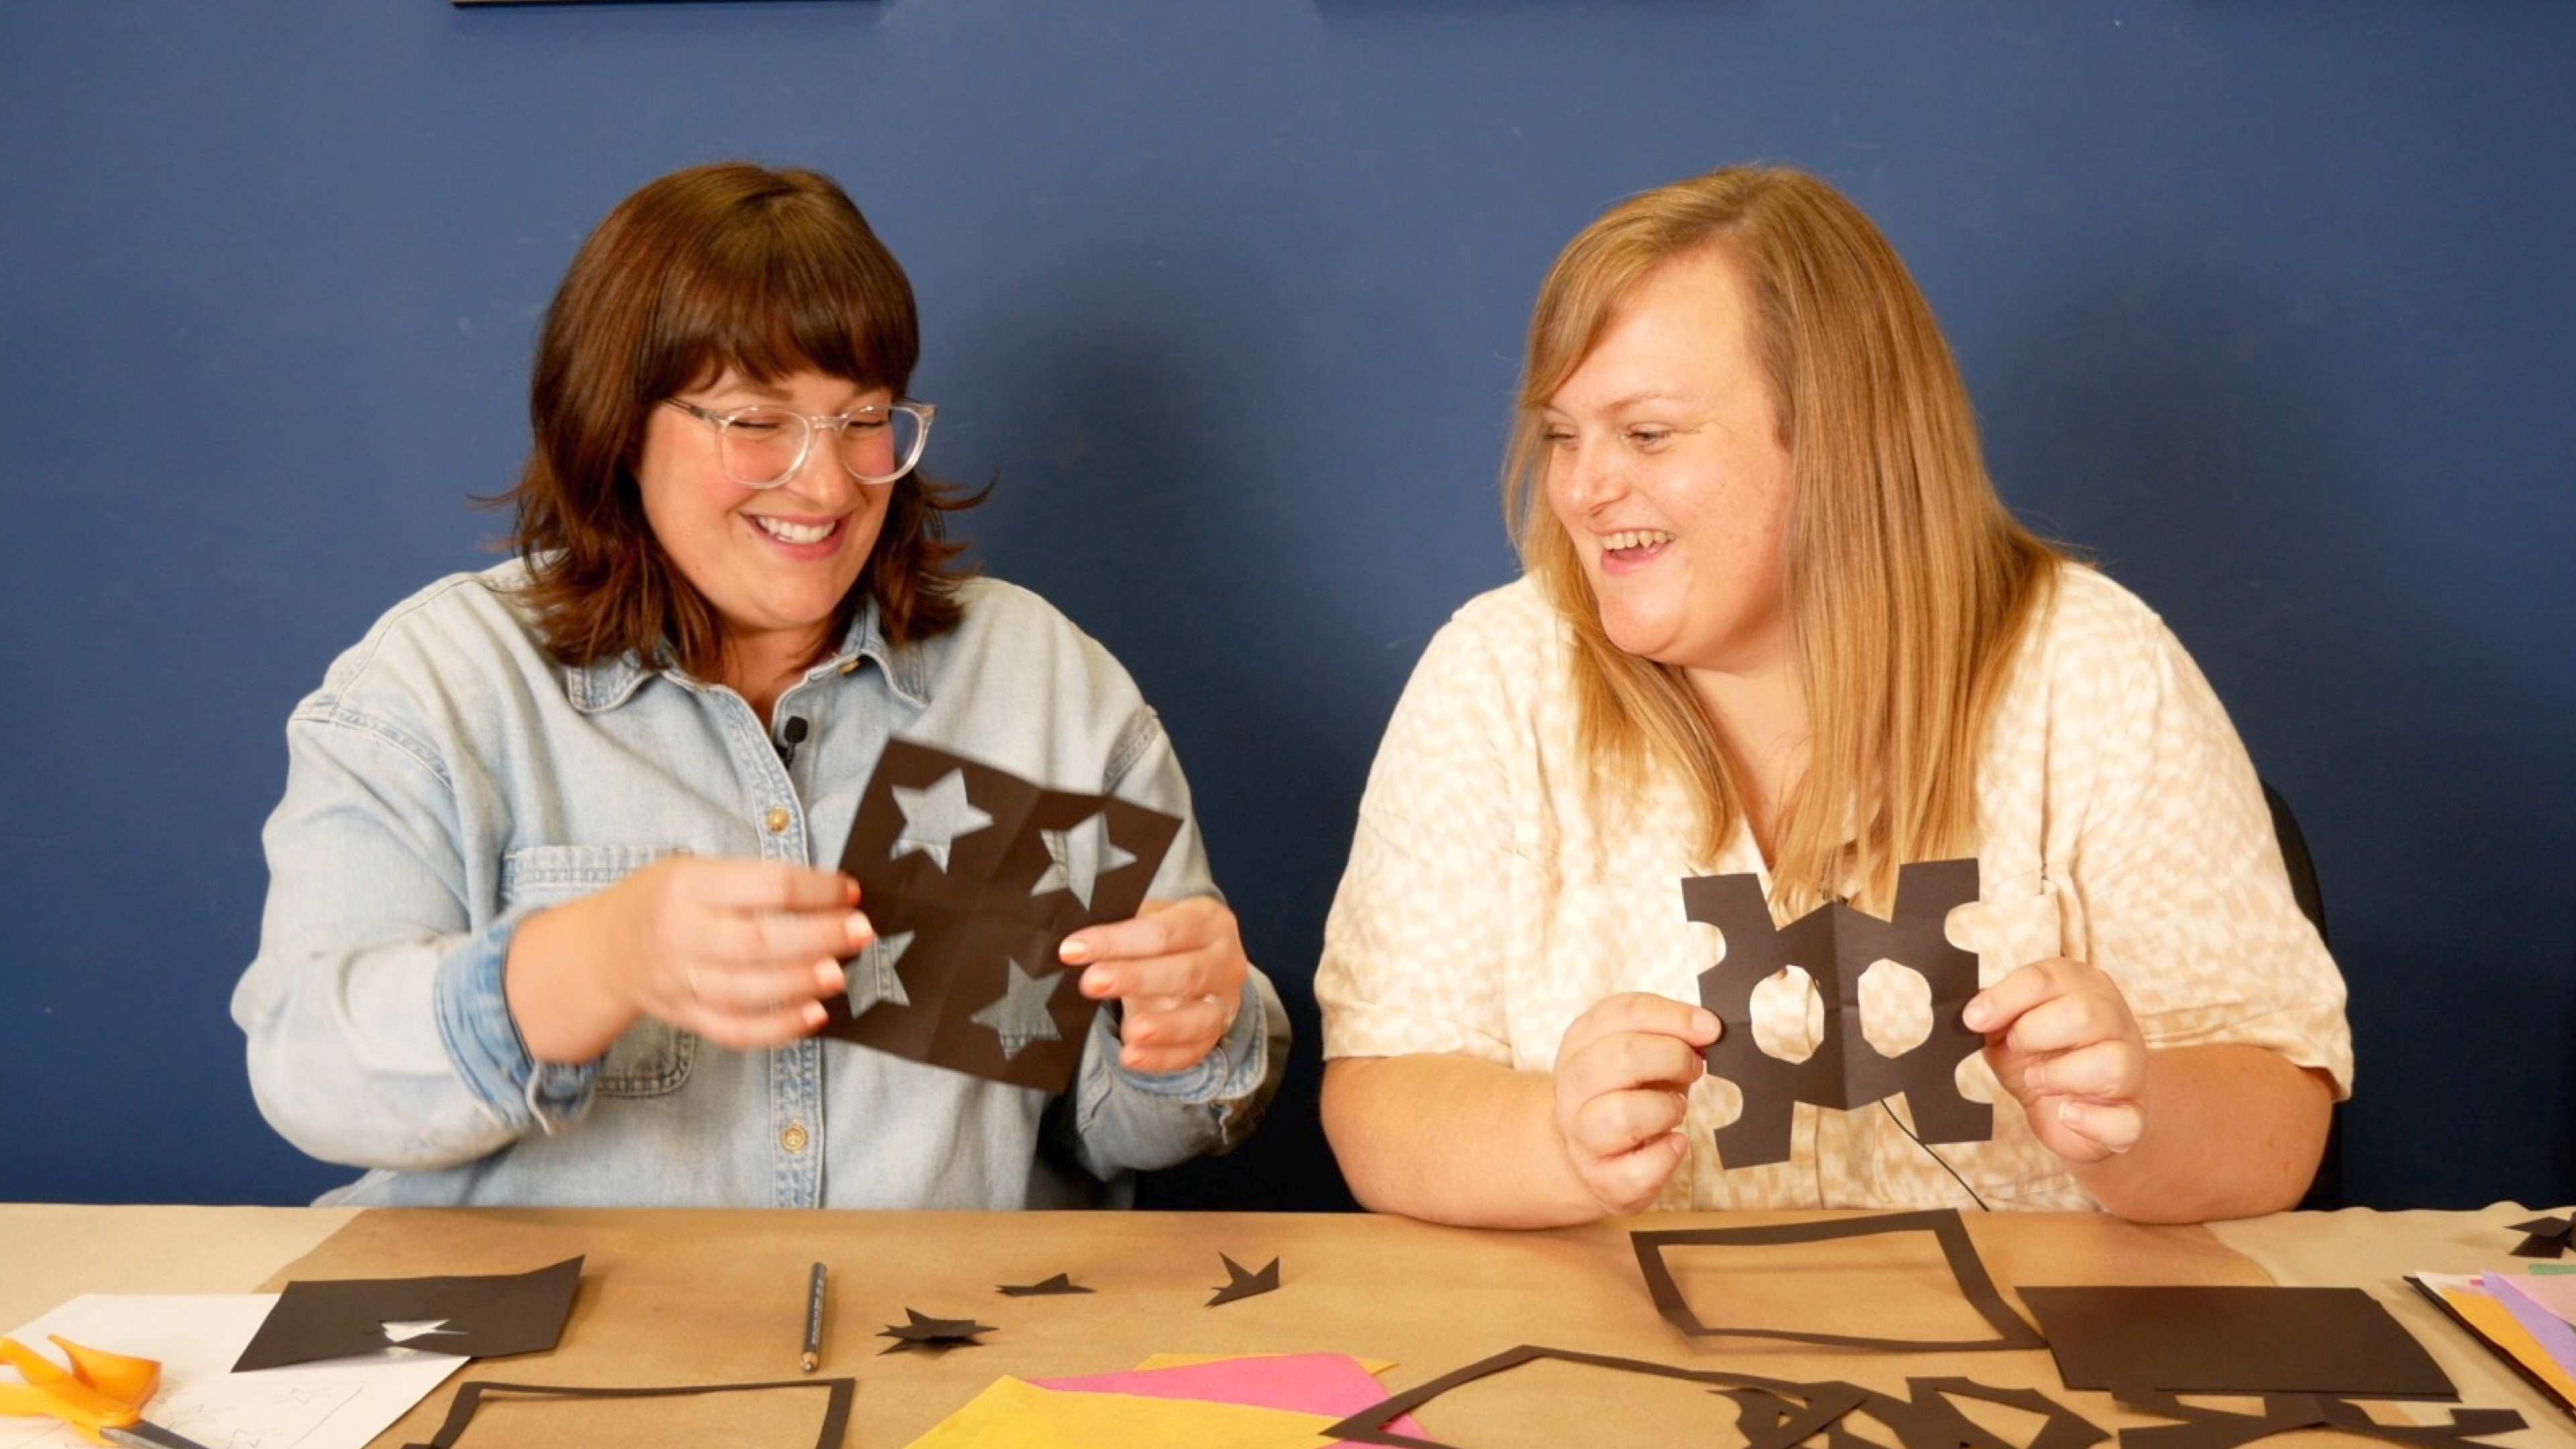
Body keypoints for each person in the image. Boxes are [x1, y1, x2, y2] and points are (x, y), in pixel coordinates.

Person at [233, 162, 1285, 1209]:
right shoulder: (440, 687)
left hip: (938, 1358)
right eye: (755, 421)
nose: (827, 485)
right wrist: (595, 961)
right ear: (618, 425)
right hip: (550, 1360)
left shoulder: (1046, 686)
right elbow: (309, 1073)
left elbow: (1115, 1136)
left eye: (862, 418)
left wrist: (1187, 1032)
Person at [1315, 165, 2349, 1227]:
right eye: (1565, 435)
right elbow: (1380, 1091)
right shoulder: (1497, 678)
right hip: (1621, 1362)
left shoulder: (2092, 668)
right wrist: (1551, 1143)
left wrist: (2142, 1115)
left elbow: (2280, 1114)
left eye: (1649, 433)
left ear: (1837, 434)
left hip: (2031, 1359)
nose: (1582, 489)